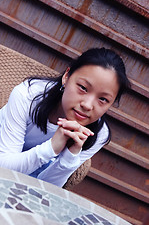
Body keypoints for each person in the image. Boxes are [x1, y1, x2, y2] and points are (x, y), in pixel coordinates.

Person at [0, 47, 130, 187]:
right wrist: (51, 148)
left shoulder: (97, 134)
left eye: (103, 99)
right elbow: (4, 170)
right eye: (83, 88)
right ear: (66, 77)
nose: (87, 105)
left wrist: (70, 155)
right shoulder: (28, 96)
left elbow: (47, 189)